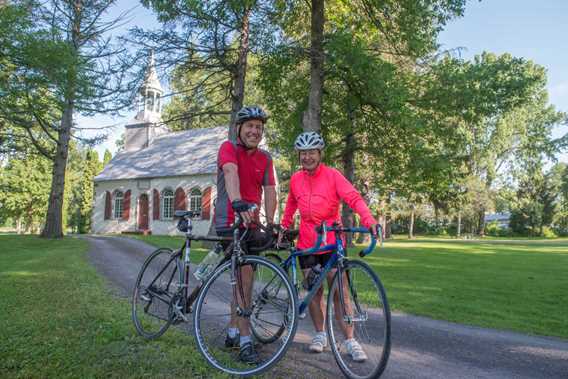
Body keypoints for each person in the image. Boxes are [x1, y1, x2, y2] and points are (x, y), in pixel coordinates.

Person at [280, 131, 378, 362]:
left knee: (340, 291)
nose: (307, 157)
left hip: (332, 241)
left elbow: (353, 198)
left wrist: (369, 220)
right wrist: (284, 225)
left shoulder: (333, 176)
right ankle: (320, 334)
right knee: (314, 292)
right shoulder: (296, 179)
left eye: (311, 152)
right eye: (303, 153)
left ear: (320, 154)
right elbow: (291, 203)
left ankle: (350, 340)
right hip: (307, 243)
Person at [213, 105, 277, 364]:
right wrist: (238, 202)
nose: (254, 131)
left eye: (259, 128)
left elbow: (271, 191)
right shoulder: (227, 148)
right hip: (229, 222)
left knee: (242, 281)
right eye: (250, 126)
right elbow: (231, 172)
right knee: (245, 280)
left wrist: (271, 223)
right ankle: (246, 338)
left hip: (252, 226)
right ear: (239, 128)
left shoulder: (265, 158)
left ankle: (232, 331)